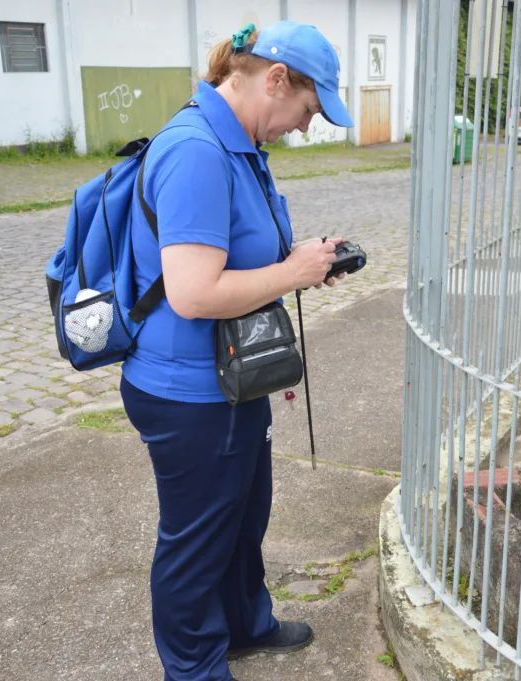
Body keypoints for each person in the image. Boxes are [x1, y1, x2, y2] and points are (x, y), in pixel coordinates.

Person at [118, 20, 353, 681]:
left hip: (232, 376)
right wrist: (292, 274)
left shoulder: (241, 147)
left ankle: (245, 624)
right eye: (308, 110)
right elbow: (193, 293)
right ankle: (194, 666)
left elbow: (245, 255)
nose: (305, 127)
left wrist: (305, 260)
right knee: (195, 540)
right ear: (276, 79)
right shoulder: (196, 150)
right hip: (188, 391)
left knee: (244, 513)